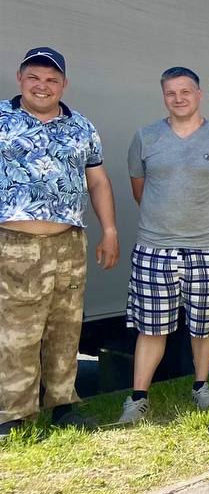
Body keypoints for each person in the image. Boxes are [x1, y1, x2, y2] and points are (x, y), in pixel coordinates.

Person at [0, 48, 119, 438]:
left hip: (68, 243)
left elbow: (97, 181)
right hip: (14, 243)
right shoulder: (2, 119)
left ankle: (64, 405)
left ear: (64, 84)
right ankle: (14, 414)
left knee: (65, 327)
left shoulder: (81, 126)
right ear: (20, 78)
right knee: (16, 331)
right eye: (34, 77)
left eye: (52, 80)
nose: (43, 86)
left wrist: (110, 231)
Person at [118, 68, 209, 423]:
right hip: (154, 248)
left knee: (204, 324)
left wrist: (206, 223)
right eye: (171, 93)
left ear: (199, 95)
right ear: (163, 96)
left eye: (185, 91)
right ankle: (138, 398)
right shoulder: (145, 137)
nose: (179, 98)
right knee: (151, 326)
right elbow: (140, 190)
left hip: (207, 249)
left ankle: (201, 387)